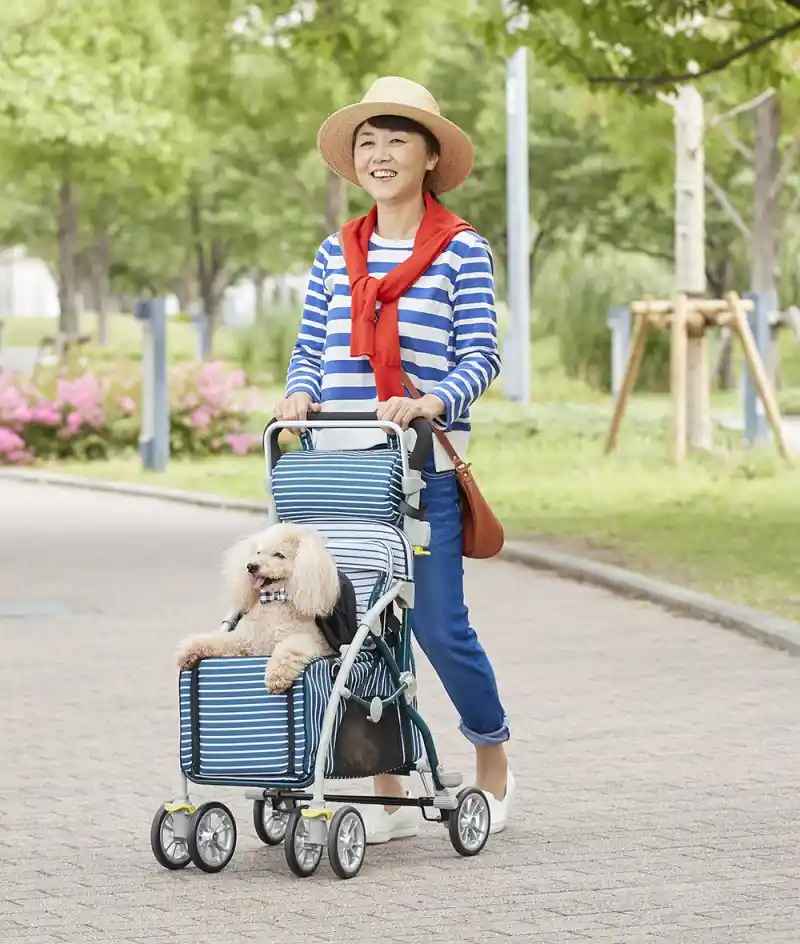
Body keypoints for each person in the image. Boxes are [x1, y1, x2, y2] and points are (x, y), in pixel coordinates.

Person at [273, 76, 513, 841]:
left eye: (397, 140)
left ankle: (492, 761)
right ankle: (387, 784)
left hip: (419, 469)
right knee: (360, 631)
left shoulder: (461, 249)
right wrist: (299, 393)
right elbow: (310, 348)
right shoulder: (335, 252)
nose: (379, 155)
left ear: (430, 155)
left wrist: (434, 399)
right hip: (342, 471)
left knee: (439, 628)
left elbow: (482, 354)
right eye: (367, 143)